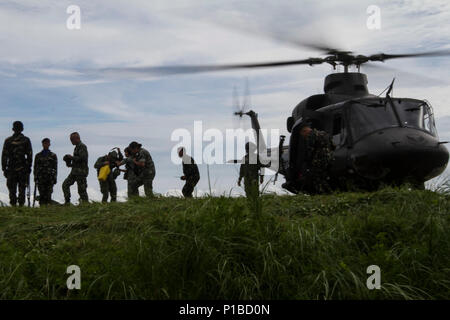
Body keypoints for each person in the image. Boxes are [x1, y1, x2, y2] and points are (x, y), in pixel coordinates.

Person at [291, 122, 334, 194]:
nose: (304, 136)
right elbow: (333, 145)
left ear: (304, 131)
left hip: (318, 161)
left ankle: (322, 194)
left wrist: (307, 164)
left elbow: (309, 152)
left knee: (316, 178)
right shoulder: (324, 133)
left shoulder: (311, 136)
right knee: (323, 177)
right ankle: (329, 193)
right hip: (329, 159)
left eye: (303, 134)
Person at [1, 121, 33, 206]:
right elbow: (29, 155)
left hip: (11, 168)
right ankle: (21, 206)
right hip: (23, 168)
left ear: (13, 129)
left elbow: (4, 156)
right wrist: (29, 167)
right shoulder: (26, 140)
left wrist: (4, 169)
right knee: (22, 188)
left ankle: (14, 205)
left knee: (12, 189)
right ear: (22, 129)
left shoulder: (8, 140)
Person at [62, 132, 89, 204]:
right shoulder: (76, 147)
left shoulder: (82, 146)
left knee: (82, 190)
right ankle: (67, 202)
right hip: (74, 172)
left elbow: (82, 158)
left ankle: (86, 204)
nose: (71, 141)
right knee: (65, 184)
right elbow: (76, 162)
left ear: (77, 138)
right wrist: (68, 162)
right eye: (70, 140)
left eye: (72, 139)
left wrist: (71, 157)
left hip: (81, 172)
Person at [34, 138, 57, 205]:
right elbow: (35, 167)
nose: (46, 144)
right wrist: (35, 177)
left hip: (50, 178)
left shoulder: (53, 155)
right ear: (42, 144)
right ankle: (42, 209)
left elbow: (55, 168)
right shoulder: (38, 156)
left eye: (47, 143)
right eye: (44, 143)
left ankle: (48, 210)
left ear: (49, 144)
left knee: (49, 195)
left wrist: (55, 178)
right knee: (42, 195)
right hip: (41, 178)